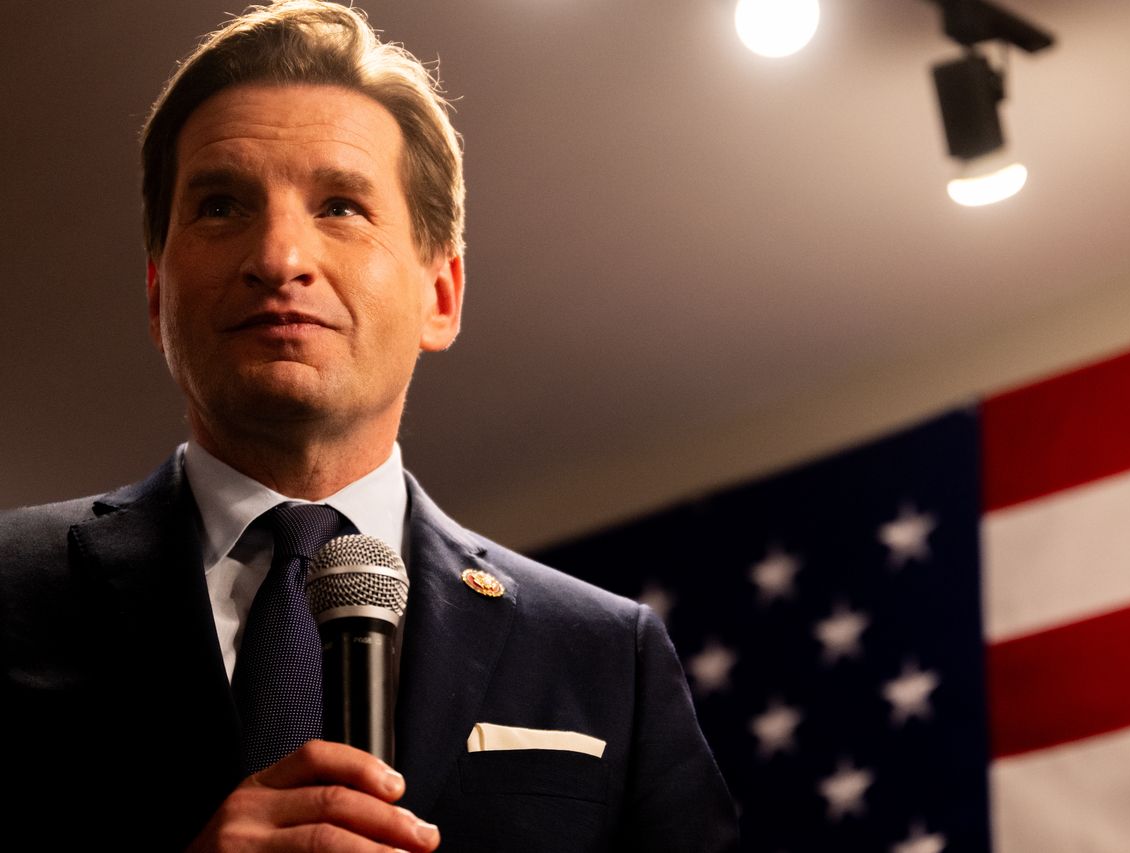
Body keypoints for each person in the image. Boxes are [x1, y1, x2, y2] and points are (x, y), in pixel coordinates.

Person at [0, 2, 739, 850]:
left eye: (342, 206)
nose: (279, 257)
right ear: (157, 292)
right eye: (219, 205)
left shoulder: (609, 660)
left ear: (441, 293)